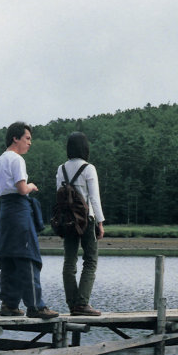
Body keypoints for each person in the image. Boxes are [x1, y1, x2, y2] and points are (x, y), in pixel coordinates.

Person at [0, 122, 58, 320]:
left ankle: (9, 304)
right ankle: (35, 306)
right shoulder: (16, 159)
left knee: (8, 259)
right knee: (28, 259)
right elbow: (21, 189)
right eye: (27, 138)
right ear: (15, 138)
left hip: (5, 213)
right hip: (19, 212)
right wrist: (31, 186)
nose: (30, 143)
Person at [55, 132, 105, 316]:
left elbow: (59, 196)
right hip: (86, 220)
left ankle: (72, 304)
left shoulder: (61, 169)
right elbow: (94, 198)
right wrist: (100, 222)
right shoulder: (88, 168)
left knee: (69, 261)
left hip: (68, 221)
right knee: (90, 260)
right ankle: (82, 304)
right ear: (85, 148)